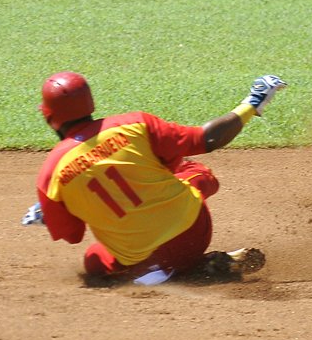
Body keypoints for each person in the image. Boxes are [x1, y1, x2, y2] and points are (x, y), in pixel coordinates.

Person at [24, 71, 286, 283]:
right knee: (198, 173)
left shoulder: (50, 176)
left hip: (141, 258)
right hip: (195, 231)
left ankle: (179, 271)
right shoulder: (133, 124)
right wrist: (251, 104)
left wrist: (65, 206)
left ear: (49, 117)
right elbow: (207, 138)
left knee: (93, 262)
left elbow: (73, 235)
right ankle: (194, 265)